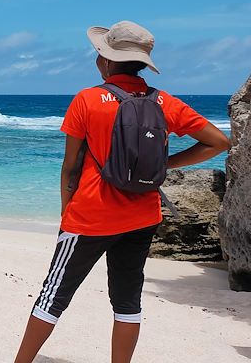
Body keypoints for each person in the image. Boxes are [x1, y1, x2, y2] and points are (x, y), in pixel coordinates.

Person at [13, 21, 231, 362]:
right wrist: (166, 164)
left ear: (105, 60)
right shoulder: (164, 102)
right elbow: (219, 142)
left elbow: (70, 168)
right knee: (128, 302)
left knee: (52, 297)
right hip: (142, 217)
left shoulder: (87, 100)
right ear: (143, 64)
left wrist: (65, 213)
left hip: (90, 216)